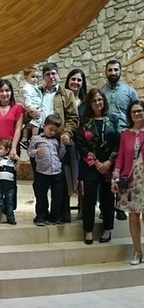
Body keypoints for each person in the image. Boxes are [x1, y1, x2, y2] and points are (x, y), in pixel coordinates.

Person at [28, 62, 79, 223]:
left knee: (60, 182)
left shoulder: (67, 94)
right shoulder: (37, 92)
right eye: (48, 74)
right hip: (39, 141)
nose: (51, 76)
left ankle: (59, 214)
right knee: (40, 183)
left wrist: (66, 133)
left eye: (54, 73)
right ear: (43, 77)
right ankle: (41, 214)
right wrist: (29, 112)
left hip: (58, 142)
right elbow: (26, 116)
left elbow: (73, 117)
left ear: (58, 75)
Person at [76, 89, 120, 245]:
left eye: (100, 100)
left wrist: (109, 162)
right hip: (90, 165)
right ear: (90, 103)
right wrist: (96, 163)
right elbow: (81, 144)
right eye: (94, 100)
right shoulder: (84, 121)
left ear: (104, 101)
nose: (97, 103)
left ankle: (107, 229)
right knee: (89, 197)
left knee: (108, 198)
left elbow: (118, 142)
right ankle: (88, 230)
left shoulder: (113, 119)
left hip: (109, 164)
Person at [101, 59, 138, 221]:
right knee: (108, 173)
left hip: (126, 137)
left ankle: (120, 206)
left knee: (123, 171)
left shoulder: (129, 92)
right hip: (108, 137)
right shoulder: (101, 91)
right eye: (110, 70)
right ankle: (105, 206)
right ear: (106, 72)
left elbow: (135, 114)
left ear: (120, 71)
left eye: (116, 70)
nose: (113, 73)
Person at [0, 79, 24, 219]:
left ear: (11, 92)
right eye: (1, 90)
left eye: (7, 90)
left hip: (11, 150)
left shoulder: (18, 108)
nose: (4, 93)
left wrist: (13, 148)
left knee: (10, 180)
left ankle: (9, 209)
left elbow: (18, 129)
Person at [111, 100, 144, 265]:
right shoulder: (125, 134)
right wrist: (115, 178)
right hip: (130, 179)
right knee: (133, 217)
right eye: (133, 112)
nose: (137, 114)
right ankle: (137, 251)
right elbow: (120, 158)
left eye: (139, 111)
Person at [27, 114, 66, 226]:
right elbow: (30, 152)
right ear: (44, 126)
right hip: (42, 172)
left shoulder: (56, 140)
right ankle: (41, 216)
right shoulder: (36, 139)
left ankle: (55, 216)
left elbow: (60, 155)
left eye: (55, 130)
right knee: (41, 196)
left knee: (58, 195)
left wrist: (62, 145)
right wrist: (36, 152)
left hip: (56, 172)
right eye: (50, 129)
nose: (52, 132)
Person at [64, 68, 88, 219]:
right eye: (73, 79)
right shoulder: (61, 99)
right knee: (66, 176)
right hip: (66, 143)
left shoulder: (86, 102)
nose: (76, 82)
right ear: (68, 81)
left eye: (79, 80)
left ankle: (84, 209)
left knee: (83, 177)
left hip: (83, 144)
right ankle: (64, 209)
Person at [0, 138, 19, 226]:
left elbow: (17, 169)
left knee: (9, 202)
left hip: (10, 185)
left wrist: (19, 160)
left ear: (7, 150)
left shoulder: (11, 162)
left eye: (0, 148)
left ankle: (11, 218)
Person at [20, 66, 43, 147]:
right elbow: (27, 97)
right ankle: (34, 138)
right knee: (37, 121)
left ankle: (24, 139)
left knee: (29, 124)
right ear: (26, 77)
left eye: (37, 77)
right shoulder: (26, 88)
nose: (35, 79)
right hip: (33, 107)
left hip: (36, 105)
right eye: (33, 77)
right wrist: (29, 107)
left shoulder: (34, 86)